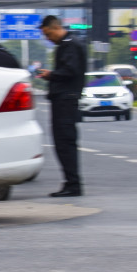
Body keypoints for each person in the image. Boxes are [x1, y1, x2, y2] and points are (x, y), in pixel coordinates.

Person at [37, 15, 87, 197]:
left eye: (48, 34)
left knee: (65, 143)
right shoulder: (68, 44)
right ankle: (71, 183)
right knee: (63, 143)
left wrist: (51, 75)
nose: (47, 39)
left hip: (66, 100)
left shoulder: (70, 44)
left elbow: (70, 71)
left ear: (56, 28)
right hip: (65, 99)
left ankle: (73, 184)